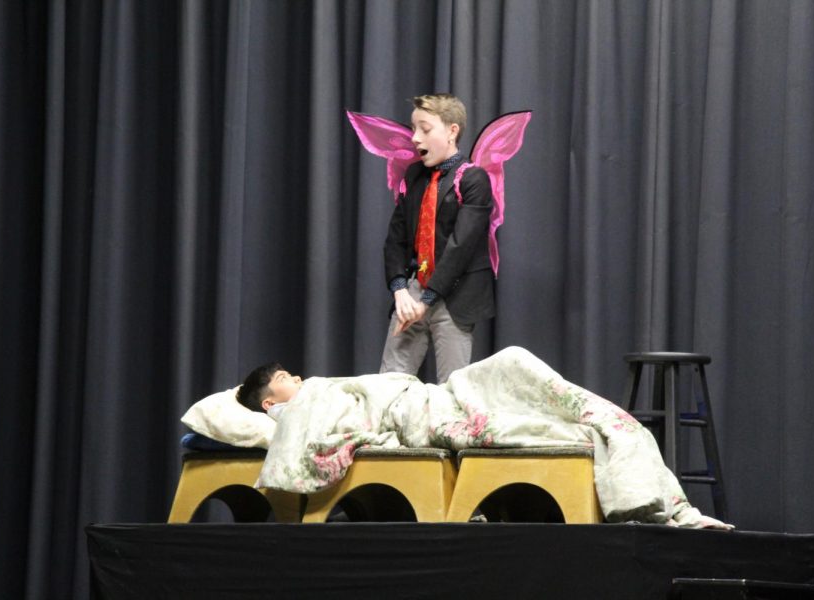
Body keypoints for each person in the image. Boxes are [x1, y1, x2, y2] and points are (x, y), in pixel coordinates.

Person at [239, 347, 731, 529]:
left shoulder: (312, 392)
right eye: (284, 377)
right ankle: (641, 488)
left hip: (441, 393)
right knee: (562, 424)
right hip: (423, 411)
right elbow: (307, 447)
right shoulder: (298, 407)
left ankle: (629, 458)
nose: (296, 378)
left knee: (514, 362)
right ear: (269, 402)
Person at [380, 93, 495, 384]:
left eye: (425, 129)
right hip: (414, 291)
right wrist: (400, 291)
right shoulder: (414, 175)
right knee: (389, 383)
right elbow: (396, 238)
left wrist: (428, 299)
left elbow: (461, 246)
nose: (416, 138)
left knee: (452, 388)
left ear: (452, 130)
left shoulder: (473, 179)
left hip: (454, 294)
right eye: (414, 129)